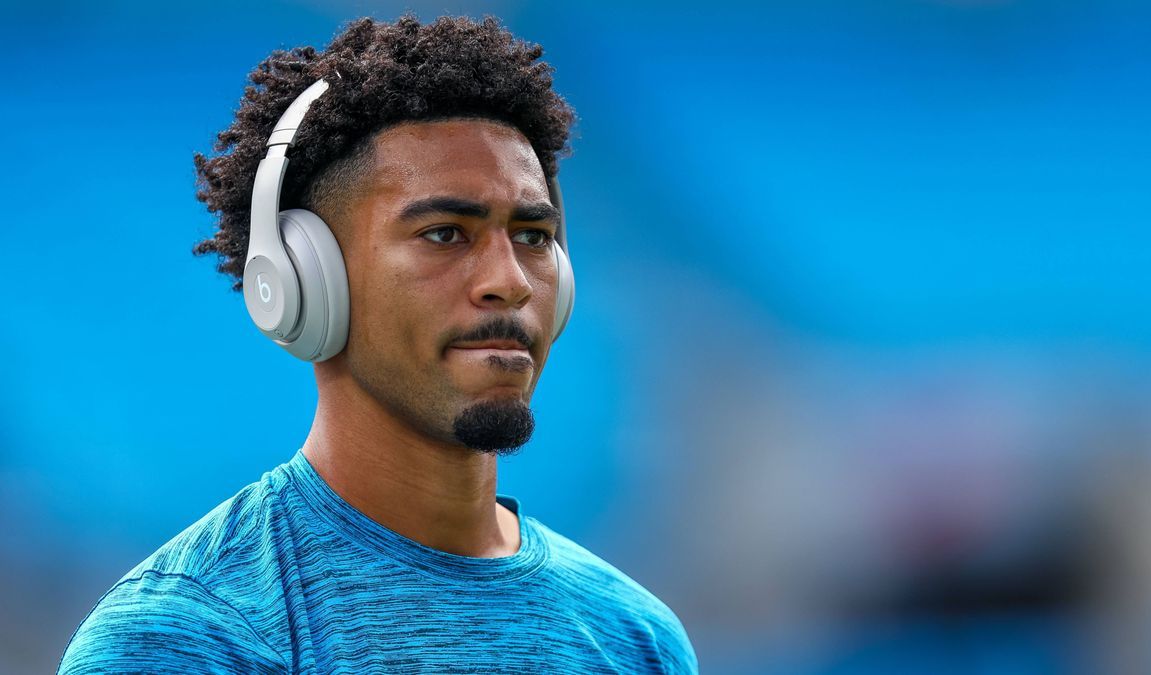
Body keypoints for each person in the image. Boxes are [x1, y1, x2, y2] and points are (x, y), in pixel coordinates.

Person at [59, 15, 697, 673]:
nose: (509, 280)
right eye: (446, 233)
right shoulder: (185, 637)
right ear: (305, 281)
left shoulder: (636, 636)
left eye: (532, 236)